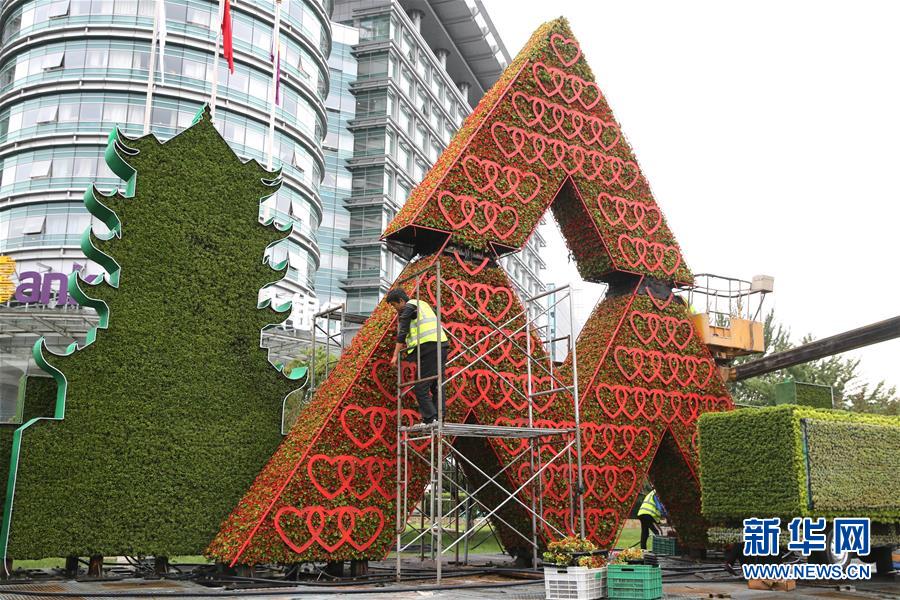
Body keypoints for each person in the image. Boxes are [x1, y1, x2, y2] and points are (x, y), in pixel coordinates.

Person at [386, 289, 450, 425]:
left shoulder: (408, 308)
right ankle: (438, 418)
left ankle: (430, 418)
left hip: (429, 348)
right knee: (437, 385)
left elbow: (402, 333)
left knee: (420, 386)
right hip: (441, 346)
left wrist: (395, 355)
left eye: (394, 305)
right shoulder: (422, 304)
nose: (394, 308)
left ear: (401, 301)